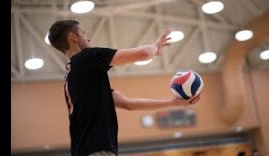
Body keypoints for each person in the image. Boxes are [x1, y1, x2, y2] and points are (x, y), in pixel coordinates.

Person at [48, 20, 201, 156]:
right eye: (83, 33)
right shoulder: (87, 57)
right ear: (73, 37)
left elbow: (129, 104)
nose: (88, 38)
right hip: (96, 150)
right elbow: (144, 53)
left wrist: (173, 102)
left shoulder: (75, 76)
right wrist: (155, 47)